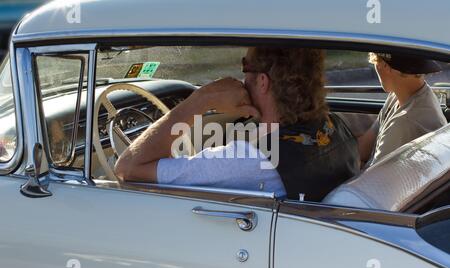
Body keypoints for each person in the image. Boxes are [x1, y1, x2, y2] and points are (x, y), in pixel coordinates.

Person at [114, 47, 360, 202]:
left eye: (246, 68)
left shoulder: (250, 160)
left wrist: (199, 101)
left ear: (262, 81)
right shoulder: (332, 126)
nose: (243, 79)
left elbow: (128, 168)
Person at [359, 53, 447, 167]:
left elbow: (373, 179)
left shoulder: (405, 122)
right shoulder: (399, 96)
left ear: (384, 66)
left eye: (375, 61)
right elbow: (365, 146)